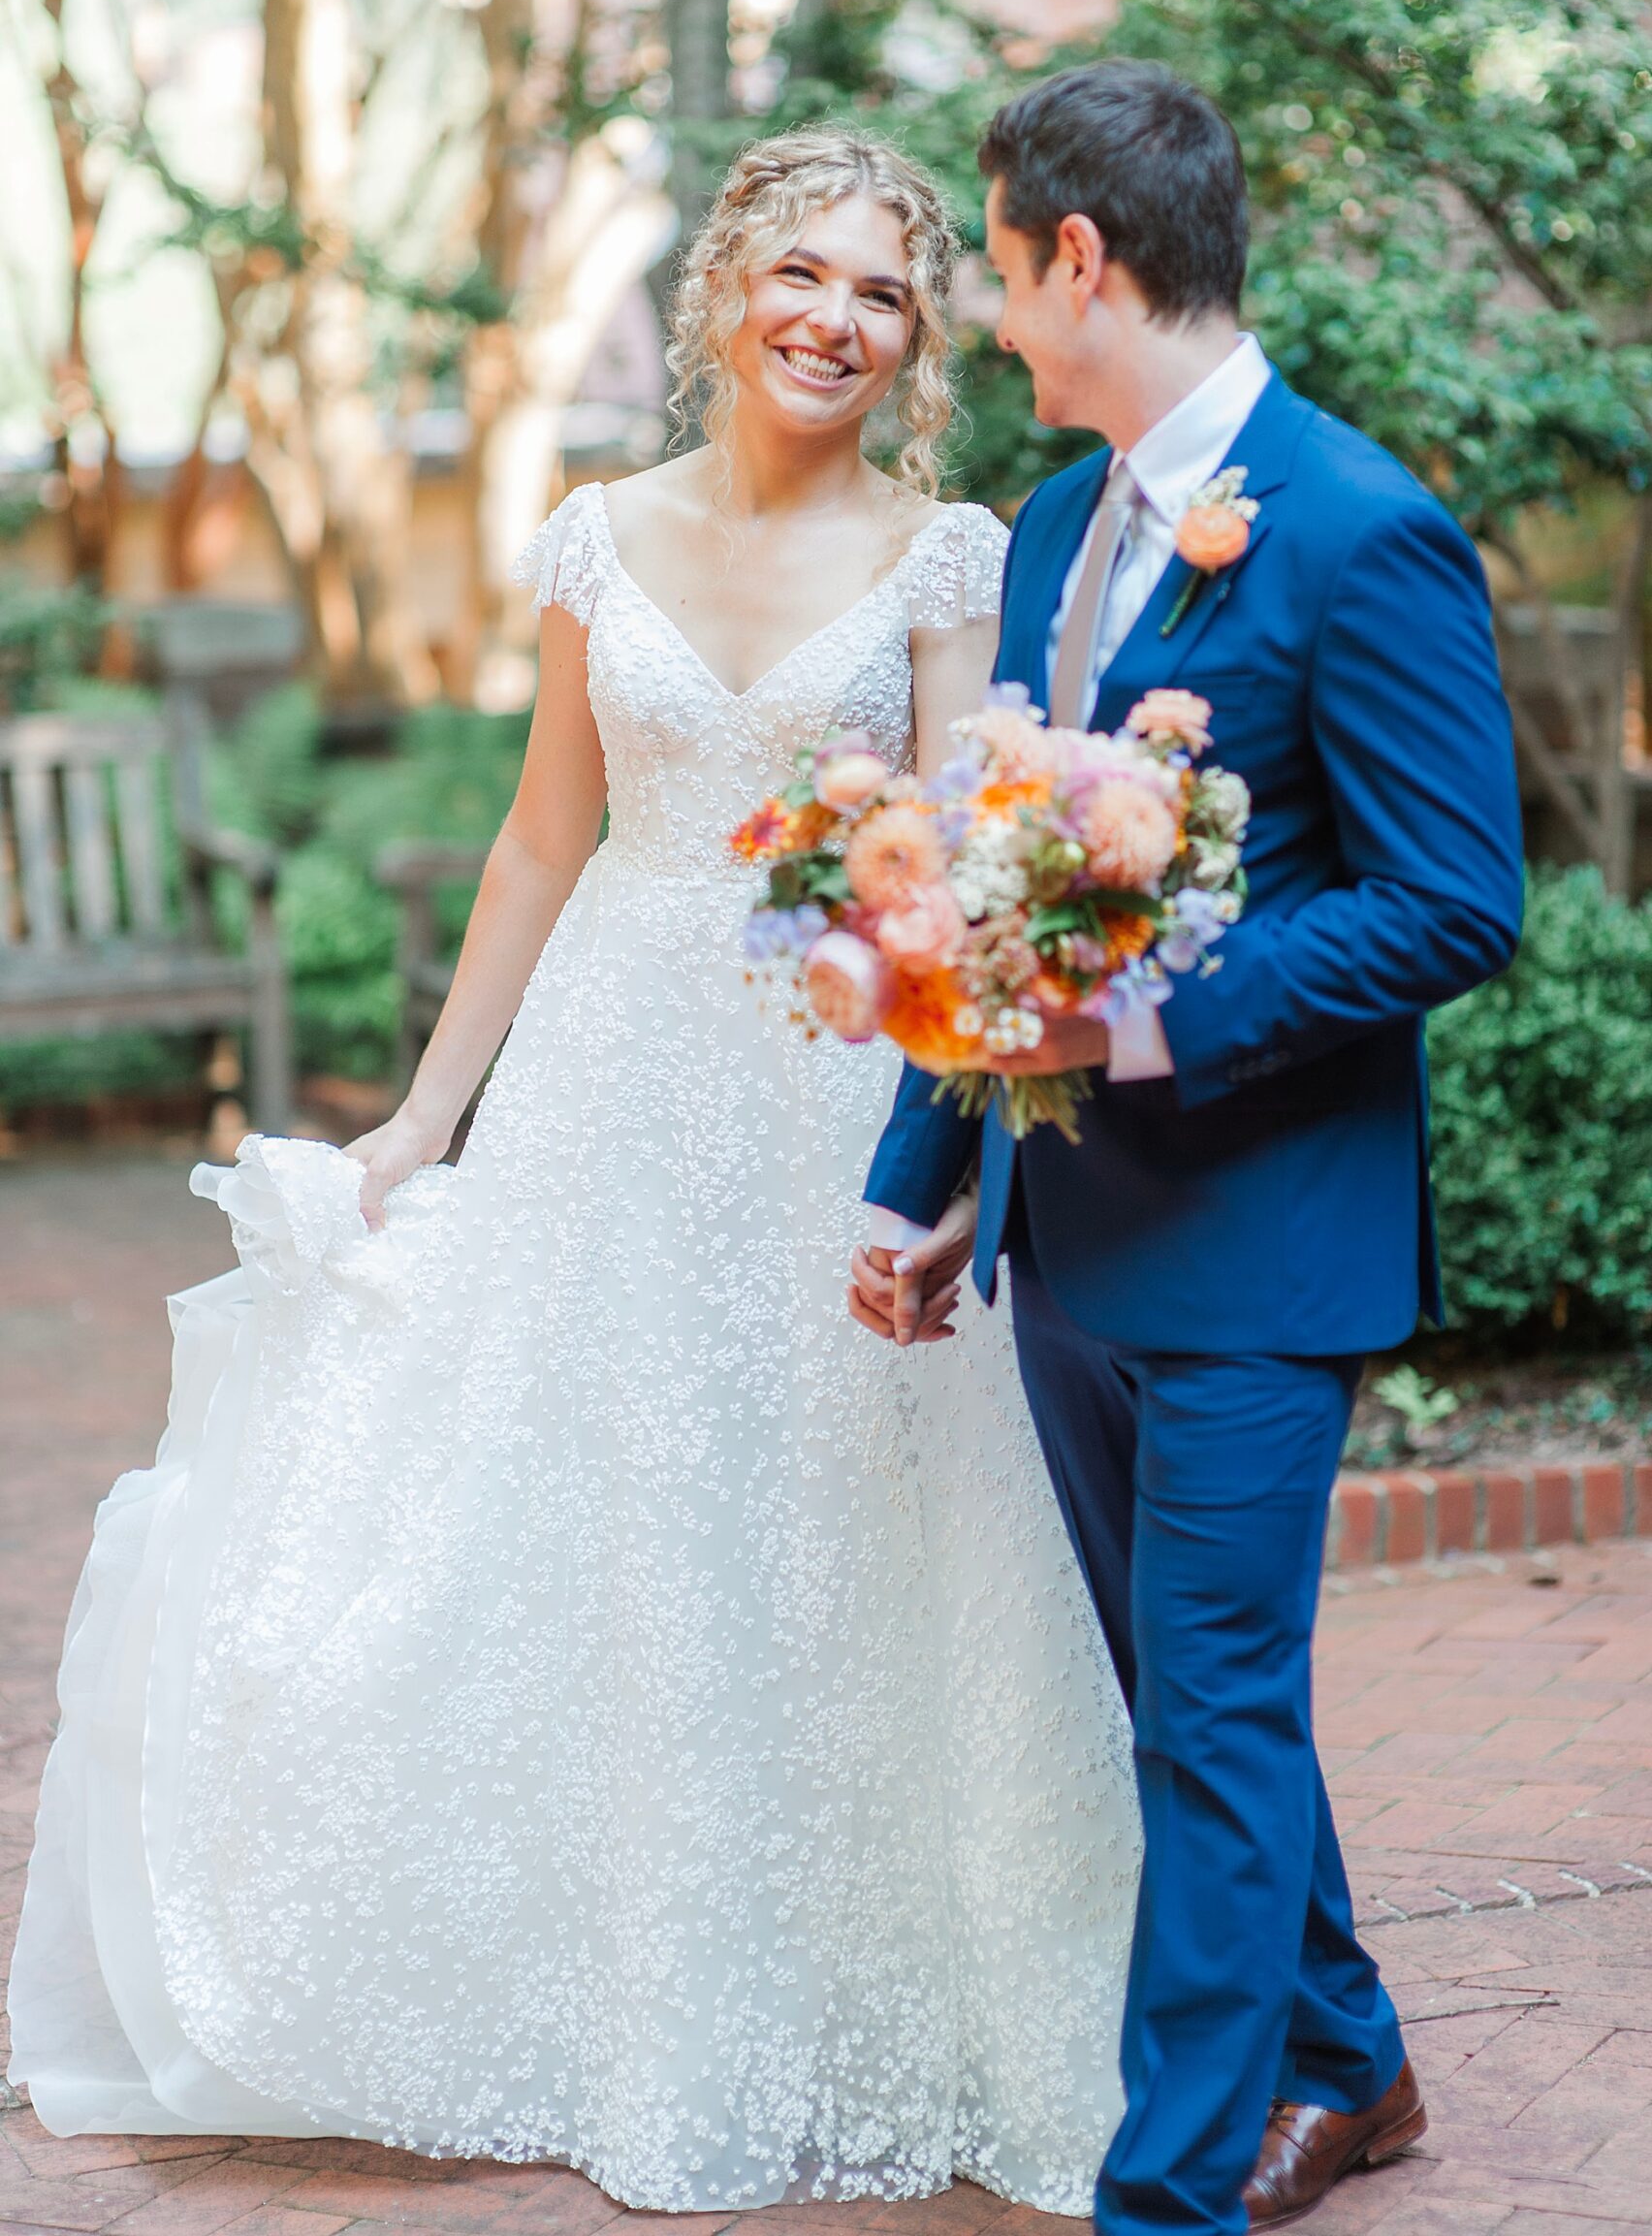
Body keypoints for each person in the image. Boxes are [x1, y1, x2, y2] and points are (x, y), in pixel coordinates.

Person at [7, 129, 1141, 2215]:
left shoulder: (944, 552)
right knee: (599, 1516)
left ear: (914, 343)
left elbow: (971, 866)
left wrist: (956, 1135)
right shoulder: (594, 536)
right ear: (723, 288)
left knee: (833, 1511)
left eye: (886, 291)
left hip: (828, 1084)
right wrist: (430, 1117)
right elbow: (546, 838)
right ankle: (625, 1985)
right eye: (803, 271)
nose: (837, 316)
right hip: (610, 1085)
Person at [852, 63, 1524, 2236]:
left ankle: (1166, 2198)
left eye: (990, 265)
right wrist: (925, 1164)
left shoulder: (1355, 523)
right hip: (1070, 1237)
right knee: (1188, 1694)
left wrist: (1152, 1021)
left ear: (1080, 256)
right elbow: (981, 888)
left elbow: (1453, 896)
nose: (978, 317)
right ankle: (1359, 2056)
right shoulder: (1053, 532)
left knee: (1216, 1712)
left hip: (1260, 1237)